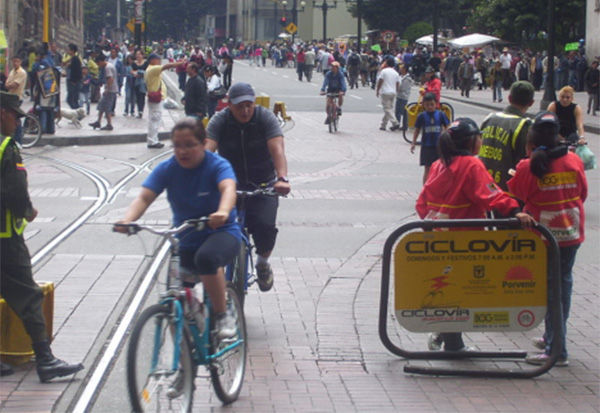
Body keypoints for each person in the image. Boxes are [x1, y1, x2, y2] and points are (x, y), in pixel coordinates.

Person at [114, 118, 240, 339]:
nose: (182, 151)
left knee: (207, 258)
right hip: (187, 238)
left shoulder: (217, 165)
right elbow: (144, 197)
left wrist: (223, 211)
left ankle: (222, 314)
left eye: (190, 144)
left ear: (203, 144)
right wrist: (127, 220)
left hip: (221, 232)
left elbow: (228, 187)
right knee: (175, 302)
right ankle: (182, 363)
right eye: (177, 145)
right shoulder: (168, 168)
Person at [416, 117, 535, 352]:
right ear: (472, 141)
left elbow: (423, 202)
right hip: (466, 240)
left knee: (450, 285)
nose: (481, 140)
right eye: (479, 137)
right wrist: (515, 210)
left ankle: (449, 336)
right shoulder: (471, 164)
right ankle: (450, 338)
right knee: (464, 287)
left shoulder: (441, 163)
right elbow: (490, 194)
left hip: (441, 237)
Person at [0, 91, 85, 381]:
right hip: (6, 239)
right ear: (2, 113)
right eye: (14, 115)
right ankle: (45, 359)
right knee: (29, 294)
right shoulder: (6, 148)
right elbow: (14, 192)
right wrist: (28, 210)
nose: (17, 122)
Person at [507, 111, 587, 367]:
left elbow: (518, 193)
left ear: (531, 141)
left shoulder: (527, 166)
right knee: (562, 286)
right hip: (571, 233)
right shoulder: (573, 161)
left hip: (542, 239)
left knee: (553, 291)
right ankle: (553, 336)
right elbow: (582, 194)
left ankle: (557, 350)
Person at [206, 82, 291, 292]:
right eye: (239, 106)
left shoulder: (265, 118)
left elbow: (277, 150)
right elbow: (207, 150)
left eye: (249, 105)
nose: (245, 111)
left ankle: (262, 264)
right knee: (216, 226)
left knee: (264, 227)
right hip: (229, 186)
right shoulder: (220, 120)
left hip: (263, 183)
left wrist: (282, 178)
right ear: (230, 105)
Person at [479, 81, 535, 191]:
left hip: (486, 187)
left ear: (509, 98)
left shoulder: (489, 119)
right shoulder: (523, 126)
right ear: (531, 103)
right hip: (508, 194)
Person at [145, 53, 185, 148]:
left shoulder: (151, 69)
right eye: (157, 59)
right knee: (155, 119)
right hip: (156, 98)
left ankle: (153, 139)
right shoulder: (152, 69)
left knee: (155, 119)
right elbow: (168, 66)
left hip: (156, 98)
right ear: (151, 60)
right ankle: (152, 141)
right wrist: (180, 63)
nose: (159, 61)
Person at [411, 92, 450, 183]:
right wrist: (413, 142)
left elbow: (448, 126)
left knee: (440, 167)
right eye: (427, 105)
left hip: (439, 145)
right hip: (426, 145)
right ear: (423, 105)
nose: (430, 107)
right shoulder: (421, 116)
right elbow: (417, 130)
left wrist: (446, 136)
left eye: (432, 104)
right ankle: (426, 189)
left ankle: (438, 186)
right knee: (427, 168)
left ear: (436, 104)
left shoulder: (441, 115)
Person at [88, 54, 116, 131]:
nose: (98, 65)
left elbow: (110, 79)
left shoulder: (107, 67)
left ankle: (109, 124)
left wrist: (107, 89)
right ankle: (98, 121)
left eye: (98, 63)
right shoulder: (109, 65)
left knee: (107, 107)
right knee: (101, 105)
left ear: (100, 62)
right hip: (110, 89)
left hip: (111, 90)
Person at [5, 56, 27, 145]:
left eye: (17, 61)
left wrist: (9, 85)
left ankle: (19, 140)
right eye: (14, 61)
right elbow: (7, 84)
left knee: (16, 118)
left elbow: (14, 85)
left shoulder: (22, 73)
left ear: (20, 62)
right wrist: (9, 85)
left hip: (17, 98)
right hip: (10, 97)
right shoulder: (12, 72)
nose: (15, 63)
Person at [376, 57, 401, 132]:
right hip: (393, 92)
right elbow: (397, 83)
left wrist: (378, 89)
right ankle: (383, 124)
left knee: (387, 109)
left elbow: (381, 80)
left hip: (385, 91)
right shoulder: (396, 73)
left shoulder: (384, 71)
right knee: (389, 108)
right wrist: (396, 91)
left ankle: (395, 122)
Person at [395, 64, 413, 132]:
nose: (400, 69)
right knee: (397, 111)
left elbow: (403, 88)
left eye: (401, 68)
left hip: (404, 96)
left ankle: (405, 125)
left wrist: (396, 87)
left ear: (405, 69)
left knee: (403, 111)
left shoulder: (407, 78)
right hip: (399, 95)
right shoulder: (400, 76)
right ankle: (396, 124)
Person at [131, 49, 148, 118]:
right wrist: (134, 73)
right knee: (137, 96)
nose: (138, 56)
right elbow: (132, 70)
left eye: (139, 54)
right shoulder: (134, 63)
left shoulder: (146, 63)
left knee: (142, 96)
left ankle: (141, 110)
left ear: (142, 55)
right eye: (137, 54)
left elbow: (147, 71)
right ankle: (139, 110)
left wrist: (142, 74)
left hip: (143, 81)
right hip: (136, 82)